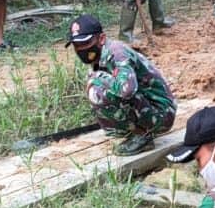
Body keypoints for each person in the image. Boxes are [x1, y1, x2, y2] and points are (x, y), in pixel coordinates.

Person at [65, 13, 176, 155]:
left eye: (85, 43)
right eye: (76, 45)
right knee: (97, 84)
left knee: (97, 86)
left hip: (162, 114)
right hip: (149, 106)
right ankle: (137, 132)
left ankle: (142, 136)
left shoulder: (117, 53)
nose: (81, 49)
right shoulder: (101, 54)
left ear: (102, 38)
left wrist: (100, 76)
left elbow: (127, 90)